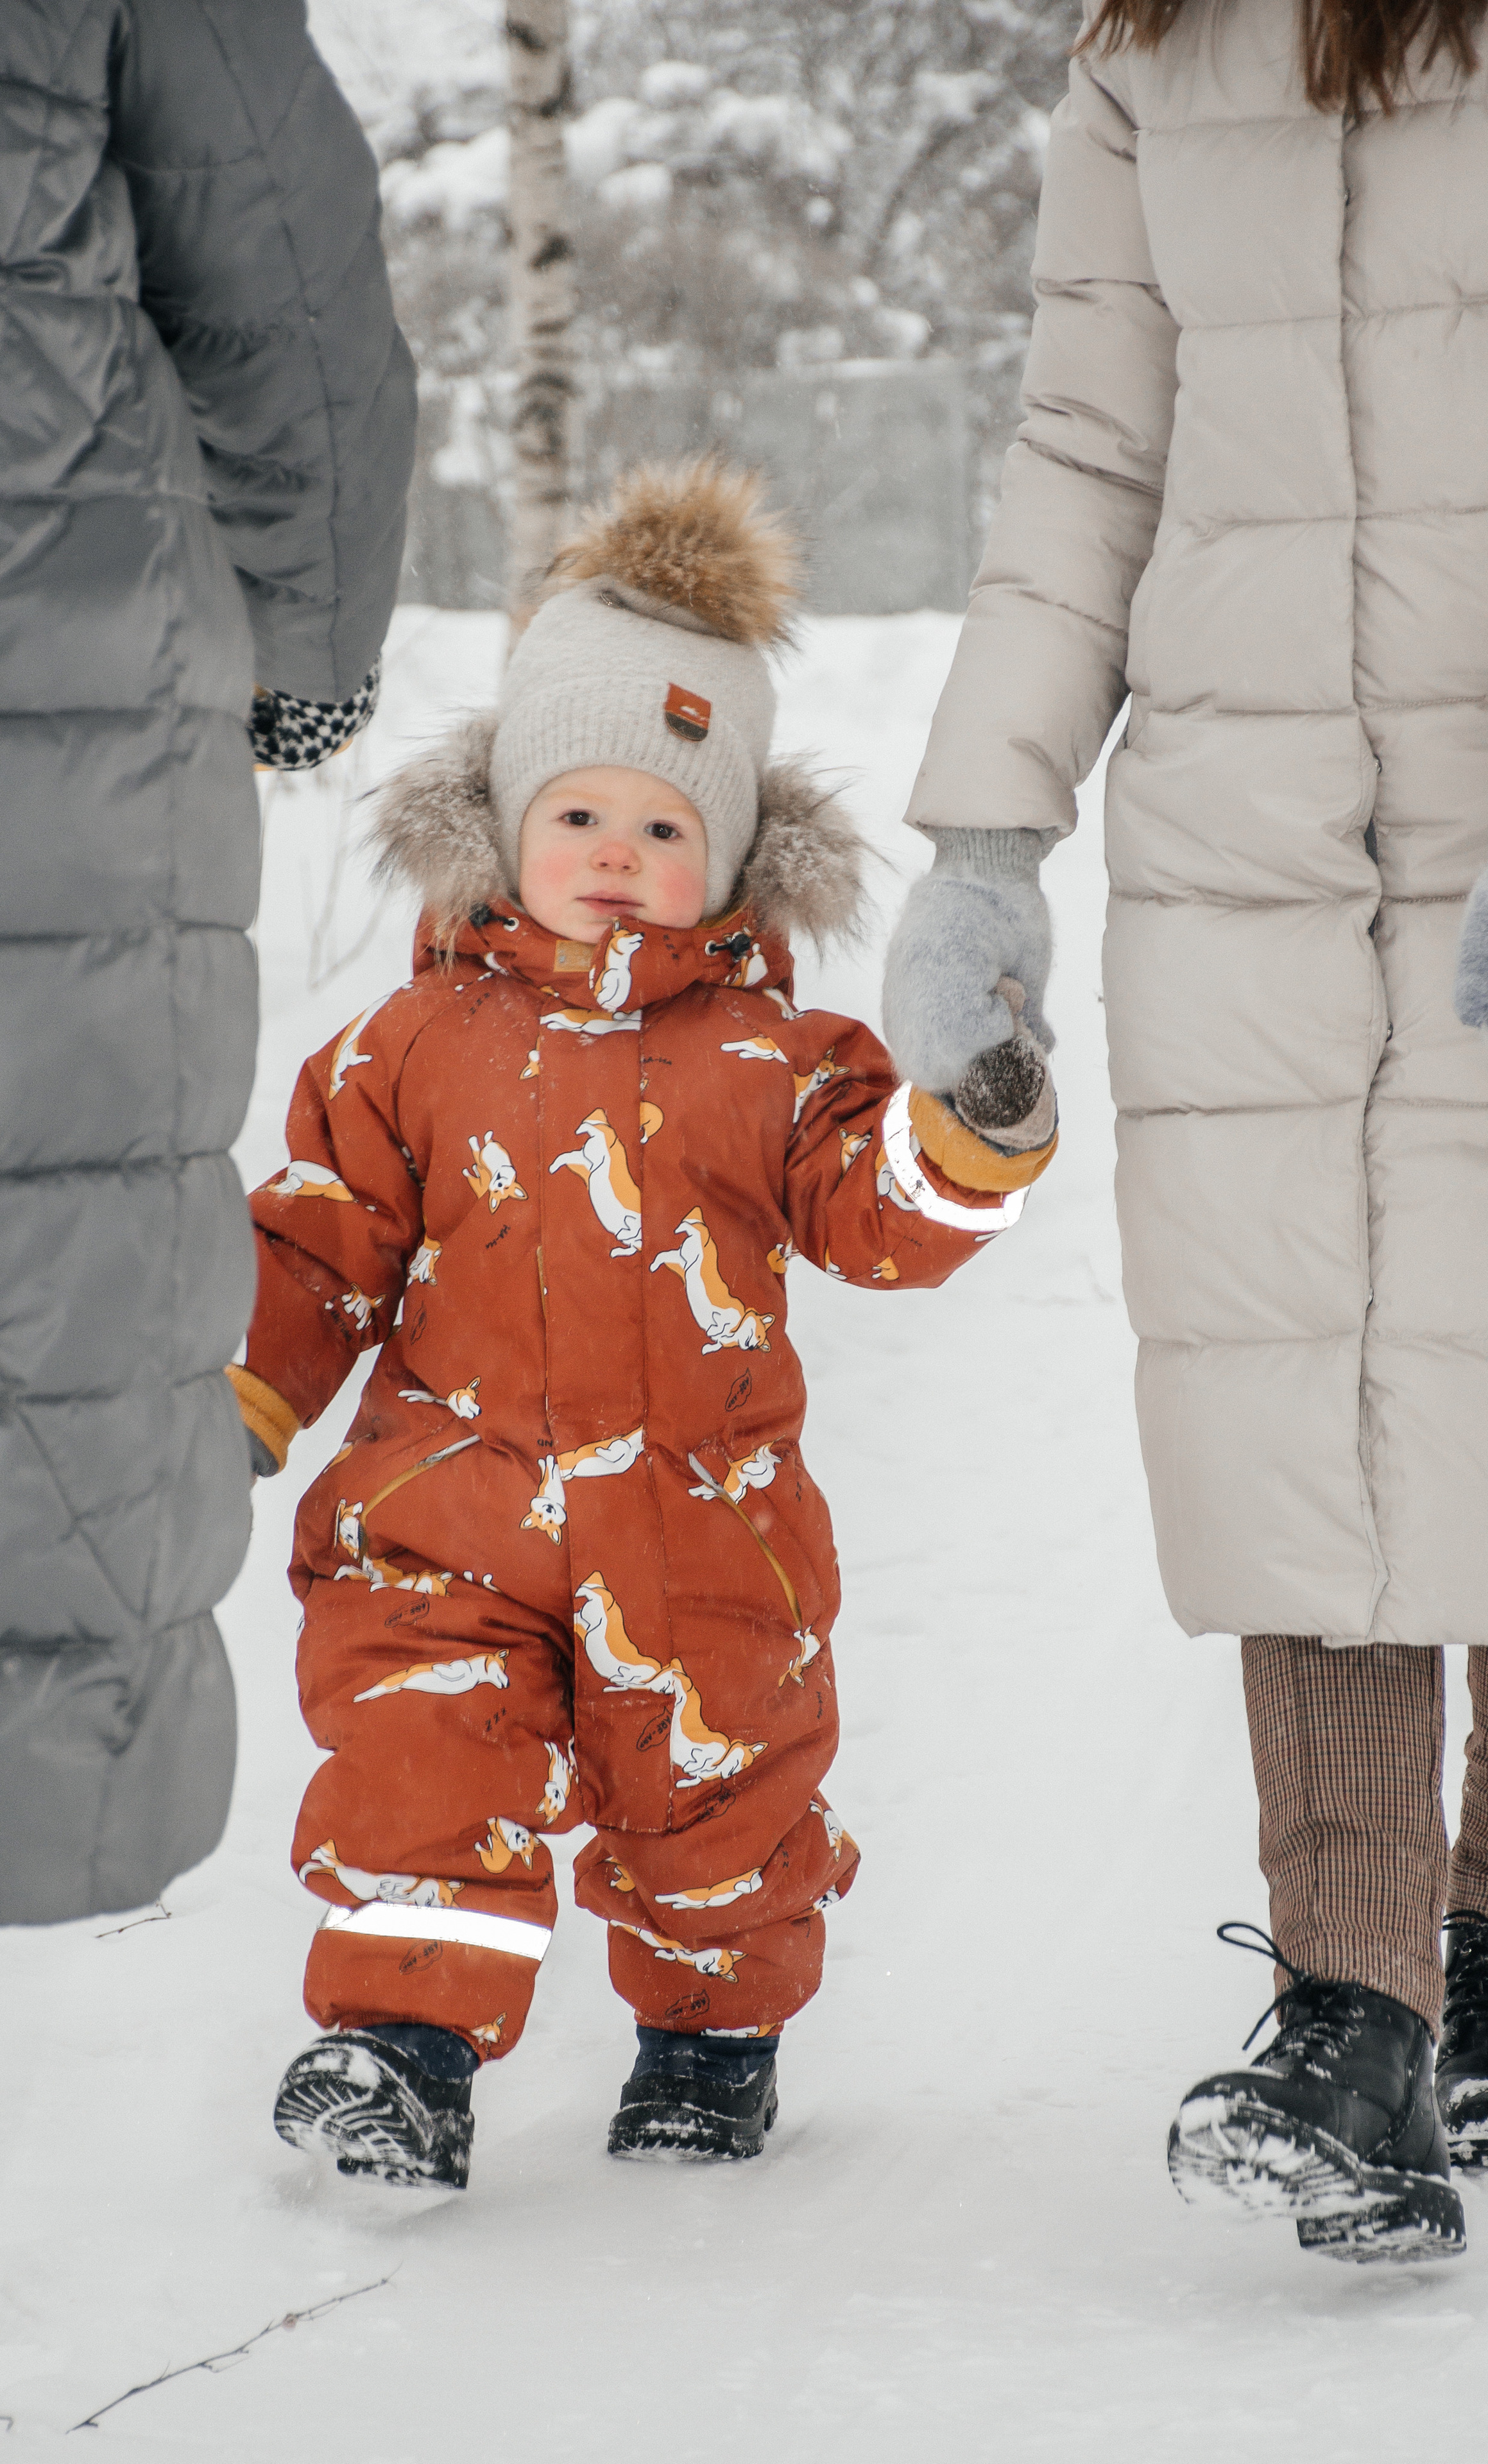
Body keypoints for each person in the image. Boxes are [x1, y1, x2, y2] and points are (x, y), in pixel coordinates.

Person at [884, 0, 1488, 2263]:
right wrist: (989, 832)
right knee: (1285, 1388)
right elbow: (1086, 447)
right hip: (1243, 819)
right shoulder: (1150, 45)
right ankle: (1353, 2023)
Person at [227, 463, 1057, 2186]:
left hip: (701, 1534)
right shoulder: (412, 1044)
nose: (619, 857)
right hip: (444, 1524)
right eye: (583, 817)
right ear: (507, 826)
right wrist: (247, 1386)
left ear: (736, 857)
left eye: (669, 829)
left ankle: (709, 2039)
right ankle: (400, 2056)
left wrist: (963, 1136)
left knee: (720, 1810)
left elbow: (876, 1214)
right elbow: (323, 1236)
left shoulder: (776, 1063)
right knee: (417, 1763)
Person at [0, 1, 414, 1925]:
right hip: (64, 620)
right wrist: (314, 632)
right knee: (66, 1233)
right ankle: (61, 1822)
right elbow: (272, 227)